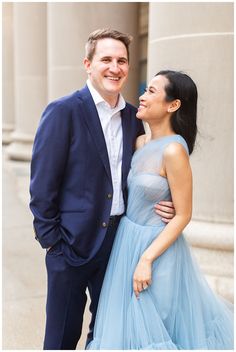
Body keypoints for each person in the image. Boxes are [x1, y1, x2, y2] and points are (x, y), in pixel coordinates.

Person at [29, 29, 175, 350]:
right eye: (106, 59)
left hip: (118, 244)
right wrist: (53, 242)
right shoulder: (63, 111)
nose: (115, 67)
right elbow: (42, 185)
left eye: (121, 60)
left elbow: (145, 171)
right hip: (70, 244)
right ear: (88, 64)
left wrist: (166, 203)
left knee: (108, 332)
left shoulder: (133, 117)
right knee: (61, 337)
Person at [86, 70, 234, 350]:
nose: (142, 96)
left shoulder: (174, 151)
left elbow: (184, 214)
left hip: (156, 251)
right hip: (126, 243)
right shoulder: (140, 143)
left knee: (155, 332)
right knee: (125, 332)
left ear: (173, 104)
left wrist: (146, 259)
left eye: (151, 91)